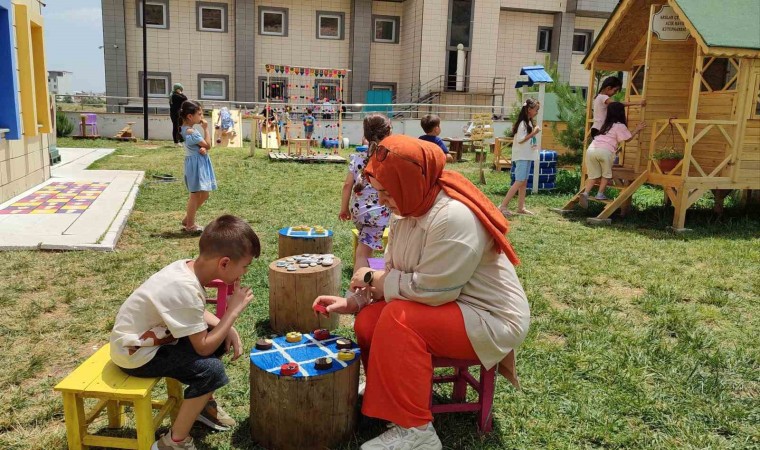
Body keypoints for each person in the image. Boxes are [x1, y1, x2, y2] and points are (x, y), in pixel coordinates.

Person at [314, 135, 530, 450]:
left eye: (388, 191)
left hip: (489, 318)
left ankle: (416, 431)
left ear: (411, 182)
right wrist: (355, 302)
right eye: (380, 191)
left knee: (399, 320)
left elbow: (431, 291)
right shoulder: (410, 205)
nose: (383, 200)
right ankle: (385, 391)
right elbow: (398, 273)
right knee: (369, 321)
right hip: (451, 303)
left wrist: (373, 278)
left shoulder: (453, 217)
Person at [110, 215, 261, 450]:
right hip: (135, 355)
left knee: (219, 337)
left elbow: (194, 312)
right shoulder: (184, 288)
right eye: (244, 267)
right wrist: (231, 314)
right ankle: (173, 442)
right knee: (211, 370)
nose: (244, 273)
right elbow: (203, 347)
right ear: (224, 263)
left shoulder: (187, 269)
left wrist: (225, 327)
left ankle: (201, 405)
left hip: (151, 340)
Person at [339, 114, 392, 270]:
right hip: (377, 213)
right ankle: (358, 286)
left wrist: (344, 209)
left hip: (358, 211)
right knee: (364, 251)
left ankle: (370, 274)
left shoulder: (357, 159)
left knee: (366, 243)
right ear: (388, 133)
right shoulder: (388, 160)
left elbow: (347, 185)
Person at [581, 102, 645, 206]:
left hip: (591, 150)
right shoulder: (619, 125)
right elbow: (627, 139)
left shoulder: (605, 124)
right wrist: (637, 130)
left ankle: (585, 193)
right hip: (605, 151)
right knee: (606, 174)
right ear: (621, 112)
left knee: (593, 175)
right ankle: (600, 194)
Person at [498, 98, 541, 217]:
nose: (537, 111)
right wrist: (534, 133)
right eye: (536, 109)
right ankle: (503, 206)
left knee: (524, 182)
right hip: (522, 156)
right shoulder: (523, 123)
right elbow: (521, 139)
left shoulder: (529, 122)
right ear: (529, 109)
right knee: (519, 181)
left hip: (527, 155)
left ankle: (521, 207)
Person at [179, 100, 216, 234]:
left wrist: (203, 149)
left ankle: (187, 219)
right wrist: (206, 128)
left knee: (204, 194)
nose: (201, 117)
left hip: (195, 163)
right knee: (195, 195)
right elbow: (208, 144)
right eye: (199, 114)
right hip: (196, 165)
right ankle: (190, 225)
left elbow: (201, 146)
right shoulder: (192, 132)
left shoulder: (185, 130)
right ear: (190, 116)